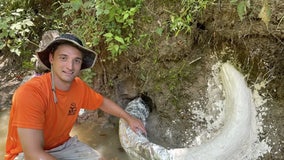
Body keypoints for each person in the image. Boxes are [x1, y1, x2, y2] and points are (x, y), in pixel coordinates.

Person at [5, 33, 146, 160]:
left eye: (76, 60)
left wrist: (129, 118)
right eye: (63, 58)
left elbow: (102, 102)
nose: (70, 66)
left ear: (81, 65)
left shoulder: (78, 87)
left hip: (63, 145)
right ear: (51, 58)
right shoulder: (30, 93)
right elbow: (33, 154)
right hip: (23, 154)